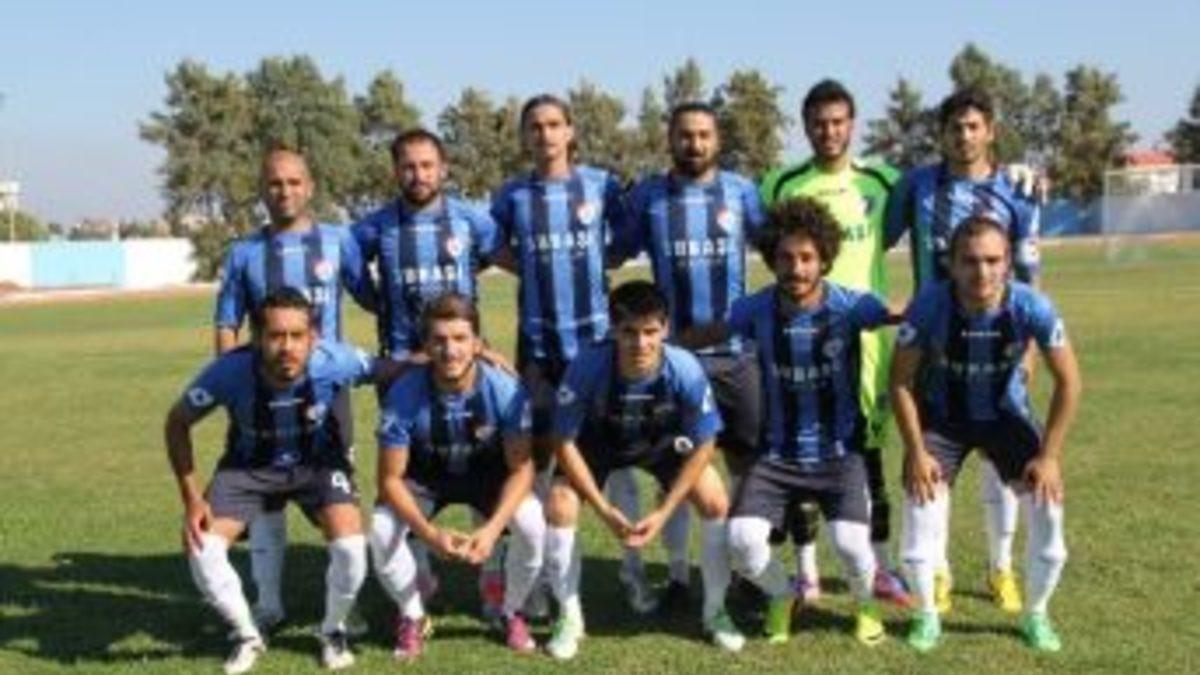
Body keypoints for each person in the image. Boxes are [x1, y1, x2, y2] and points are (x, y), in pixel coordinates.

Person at [166, 288, 392, 673]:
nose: (287, 347)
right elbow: (177, 422)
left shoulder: (334, 360)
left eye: (297, 335)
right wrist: (192, 499)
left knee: (352, 548)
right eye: (275, 335)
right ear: (257, 337)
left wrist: (472, 355)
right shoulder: (229, 371)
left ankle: (332, 630)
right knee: (202, 549)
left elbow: (394, 369)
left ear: (313, 337)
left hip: (317, 465)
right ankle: (246, 635)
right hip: (247, 468)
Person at [885, 87, 1043, 614]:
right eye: (955, 127)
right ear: (942, 134)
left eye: (974, 126)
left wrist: (1029, 351)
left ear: (990, 131)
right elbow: (872, 240)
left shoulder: (1015, 190)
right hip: (935, 356)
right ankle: (939, 571)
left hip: (1001, 351)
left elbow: (1029, 275)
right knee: (935, 468)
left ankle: (1001, 569)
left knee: (1003, 466)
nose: (964, 135)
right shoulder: (916, 186)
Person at [890, 216, 1081, 653]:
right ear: (952, 264)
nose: (982, 272)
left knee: (1049, 510)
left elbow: (1069, 382)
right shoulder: (929, 305)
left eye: (993, 260)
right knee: (920, 507)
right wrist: (916, 451)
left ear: (1008, 262)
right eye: (970, 261)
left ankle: (1036, 615)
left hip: (1006, 419)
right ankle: (926, 615)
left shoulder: (1032, 306)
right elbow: (899, 381)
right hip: (944, 421)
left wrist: (1049, 457)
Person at [718, 197, 896, 647]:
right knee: (741, 540)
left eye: (806, 258)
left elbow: (899, 312)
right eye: (785, 257)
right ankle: (783, 595)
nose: (795, 268)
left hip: (839, 454)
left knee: (852, 545)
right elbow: (713, 336)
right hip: (776, 456)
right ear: (770, 258)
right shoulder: (751, 310)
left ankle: (865, 604)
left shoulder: (851, 306)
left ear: (825, 259)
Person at [758, 79, 908, 606]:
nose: (829, 131)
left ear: (852, 124)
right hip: (796, 339)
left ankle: (881, 566)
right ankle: (807, 572)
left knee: (869, 455)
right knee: (799, 451)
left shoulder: (884, 182)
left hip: (868, 345)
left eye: (838, 121)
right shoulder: (780, 183)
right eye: (819, 123)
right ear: (805, 127)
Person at [212, 148, 375, 632]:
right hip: (261, 395)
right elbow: (226, 323)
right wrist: (230, 387)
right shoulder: (244, 253)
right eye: (275, 183)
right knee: (266, 498)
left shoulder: (338, 241)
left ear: (310, 186)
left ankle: (346, 601)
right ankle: (268, 604)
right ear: (262, 190)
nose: (285, 191)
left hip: (328, 396)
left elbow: (373, 298)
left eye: (294, 182)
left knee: (336, 496)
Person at [353, 128, 510, 617]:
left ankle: (492, 574)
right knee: (410, 472)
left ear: (443, 168)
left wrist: (478, 346)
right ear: (395, 170)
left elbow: (499, 257)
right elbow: (358, 281)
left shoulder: (470, 219)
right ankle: (419, 573)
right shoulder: (375, 227)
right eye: (408, 166)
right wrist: (388, 318)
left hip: (466, 364)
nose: (418, 175)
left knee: (483, 460)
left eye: (426, 165)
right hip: (403, 368)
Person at [542, 281, 744, 659]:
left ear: (665, 329)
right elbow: (563, 441)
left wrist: (665, 510)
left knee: (715, 499)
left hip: (660, 444)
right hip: (600, 444)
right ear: (613, 330)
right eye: (629, 332)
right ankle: (569, 617)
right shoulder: (587, 365)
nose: (641, 343)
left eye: (651, 331)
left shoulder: (684, 367)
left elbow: (705, 443)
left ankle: (716, 612)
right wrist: (603, 508)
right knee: (559, 504)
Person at [618, 101, 765, 612]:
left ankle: (745, 570)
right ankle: (679, 576)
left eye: (703, 134)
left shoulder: (742, 192)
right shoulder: (650, 197)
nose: (694, 144)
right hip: (675, 361)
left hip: (737, 357)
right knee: (676, 470)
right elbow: (613, 251)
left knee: (746, 465)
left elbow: (779, 248)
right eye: (685, 135)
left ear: (717, 140)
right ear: (670, 139)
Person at [489, 94, 634, 614]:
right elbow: (492, 246)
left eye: (554, 124)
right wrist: (531, 264)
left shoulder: (601, 185)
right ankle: (533, 580)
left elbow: (626, 238)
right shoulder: (511, 196)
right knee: (536, 461)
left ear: (570, 131)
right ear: (524, 137)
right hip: (538, 348)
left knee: (615, 456)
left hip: (596, 346)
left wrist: (597, 258)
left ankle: (633, 572)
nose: (545, 134)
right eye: (535, 126)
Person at [370, 293, 545, 660]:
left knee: (532, 524)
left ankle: (510, 610)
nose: (450, 351)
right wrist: (429, 535)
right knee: (381, 529)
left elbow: (521, 468)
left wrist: (492, 529)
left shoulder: (505, 389)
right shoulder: (403, 393)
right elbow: (389, 480)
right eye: (439, 340)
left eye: (460, 338)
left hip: (488, 476)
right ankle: (413, 615)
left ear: (478, 343)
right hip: (426, 479)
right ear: (425, 346)